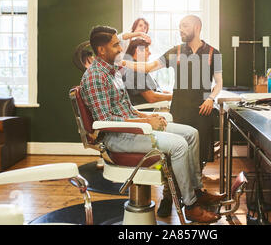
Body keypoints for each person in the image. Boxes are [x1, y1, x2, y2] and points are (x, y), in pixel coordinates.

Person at [80, 25, 224, 223]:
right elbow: (106, 120)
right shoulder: (96, 77)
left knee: (191, 133)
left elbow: (126, 110)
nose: (120, 49)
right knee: (180, 145)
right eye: (115, 46)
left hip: (133, 129)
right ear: (101, 50)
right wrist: (147, 121)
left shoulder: (112, 71)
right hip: (118, 137)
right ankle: (190, 205)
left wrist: (147, 118)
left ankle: (197, 191)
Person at [122, 15, 223, 164]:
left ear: (197, 28)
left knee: (200, 152)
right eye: (180, 26)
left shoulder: (214, 53)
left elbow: (219, 83)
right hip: (180, 110)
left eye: (185, 26)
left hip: (203, 110)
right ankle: (175, 186)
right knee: (179, 151)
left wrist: (211, 98)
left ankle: (195, 185)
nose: (181, 30)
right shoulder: (175, 51)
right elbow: (149, 67)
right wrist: (124, 62)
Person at [122, 39, 172, 106]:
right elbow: (152, 98)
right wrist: (174, 97)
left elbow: (154, 91)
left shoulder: (140, 69)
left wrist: (169, 93)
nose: (150, 53)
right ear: (138, 50)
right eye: (147, 50)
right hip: (148, 111)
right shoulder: (135, 71)